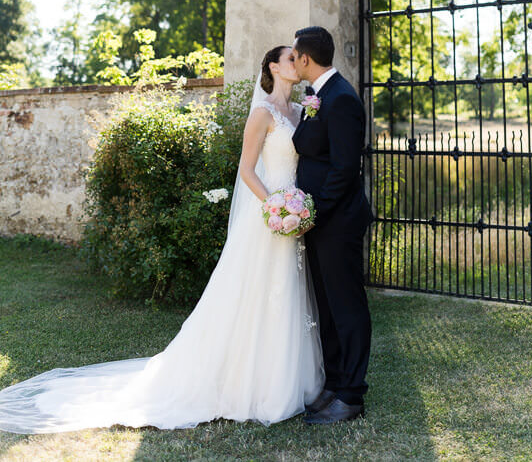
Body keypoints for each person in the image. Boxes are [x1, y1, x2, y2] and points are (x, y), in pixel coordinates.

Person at [0, 46, 324, 434]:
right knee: (255, 294)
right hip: (269, 215)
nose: (297, 61)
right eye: (290, 57)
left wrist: (297, 209)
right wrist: (276, 206)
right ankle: (249, 385)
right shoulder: (263, 113)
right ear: (273, 67)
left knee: (286, 292)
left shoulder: (301, 111)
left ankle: (285, 380)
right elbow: (246, 170)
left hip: (294, 215)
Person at [292, 26, 374, 424]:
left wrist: (313, 213)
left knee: (347, 306)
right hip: (319, 221)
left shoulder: (340, 99)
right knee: (326, 306)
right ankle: (335, 382)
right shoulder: (317, 96)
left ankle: (352, 395)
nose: (293, 60)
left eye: (295, 55)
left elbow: (345, 169)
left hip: (337, 220)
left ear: (306, 58)